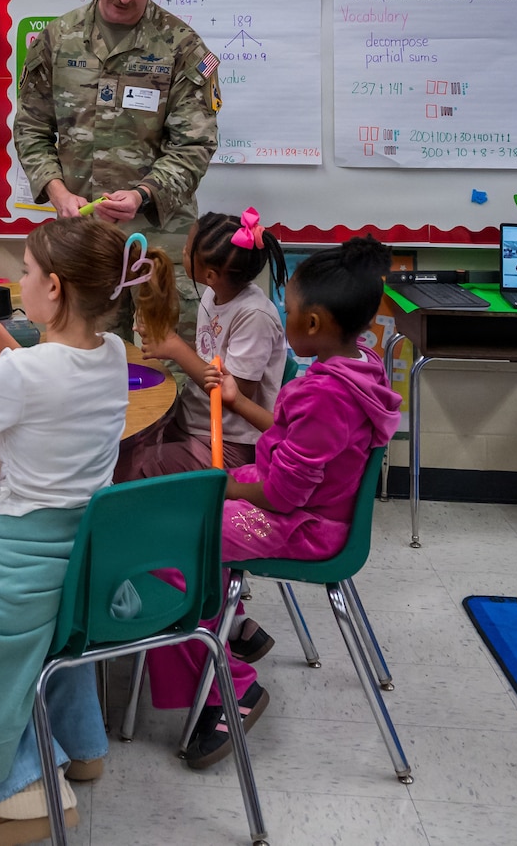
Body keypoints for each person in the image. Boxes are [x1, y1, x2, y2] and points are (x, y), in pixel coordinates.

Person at [0, 217, 176, 846]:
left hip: (21, 570)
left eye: (23, 271)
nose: (16, 280)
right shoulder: (109, 354)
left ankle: (19, 782)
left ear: (52, 288)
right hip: (84, 565)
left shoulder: (23, 376)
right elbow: (42, 373)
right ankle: (85, 749)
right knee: (61, 636)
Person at [143, 236, 402, 770]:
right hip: (305, 507)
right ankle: (224, 626)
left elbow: (283, 493)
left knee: (160, 550)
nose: (283, 319)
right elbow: (291, 447)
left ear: (313, 325)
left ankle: (231, 686)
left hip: (302, 525)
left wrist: (221, 484)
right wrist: (238, 448)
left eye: (289, 312)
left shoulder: (324, 393)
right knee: (172, 519)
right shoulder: (361, 366)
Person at [11, 0, 219, 339]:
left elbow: (195, 144)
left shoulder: (182, 47)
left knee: (167, 369)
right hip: (83, 242)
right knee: (82, 366)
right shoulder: (58, 39)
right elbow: (31, 128)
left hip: (158, 244)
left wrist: (144, 193)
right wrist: (58, 193)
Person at [121, 208, 290, 480]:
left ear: (210, 275)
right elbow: (209, 354)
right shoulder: (214, 294)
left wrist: (175, 348)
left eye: (187, 251)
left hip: (228, 443)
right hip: (194, 422)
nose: (182, 254)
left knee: (129, 469)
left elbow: (237, 393)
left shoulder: (254, 315)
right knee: (122, 446)